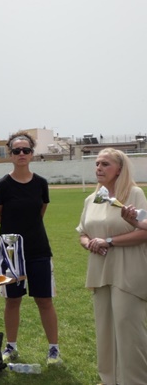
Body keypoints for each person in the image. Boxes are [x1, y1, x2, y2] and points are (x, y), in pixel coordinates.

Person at [0, 131, 62, 366]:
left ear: (32, 154)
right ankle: (11, 346)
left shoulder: (40, 183)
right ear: (10, 154)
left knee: (45, 300)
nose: (22, 154)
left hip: (39, 249)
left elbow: (40, 212)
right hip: (11, 252)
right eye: (17, 151)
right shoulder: (2, 184)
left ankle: (53, 350)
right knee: (12, 300)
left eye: (26, 150)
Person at [77, 148, 147, 385]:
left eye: (105, 164)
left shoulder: (134, 194)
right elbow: (83, 233)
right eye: (97, 163)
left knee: (129, 329)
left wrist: (109, 241)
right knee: (105, 329)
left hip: (128, 269)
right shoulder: (93, 198)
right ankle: (109, 380)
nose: (98, 168)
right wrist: (90, 243)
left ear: (119, 169)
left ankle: (135, 381)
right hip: (100, 269)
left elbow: (143, 233)